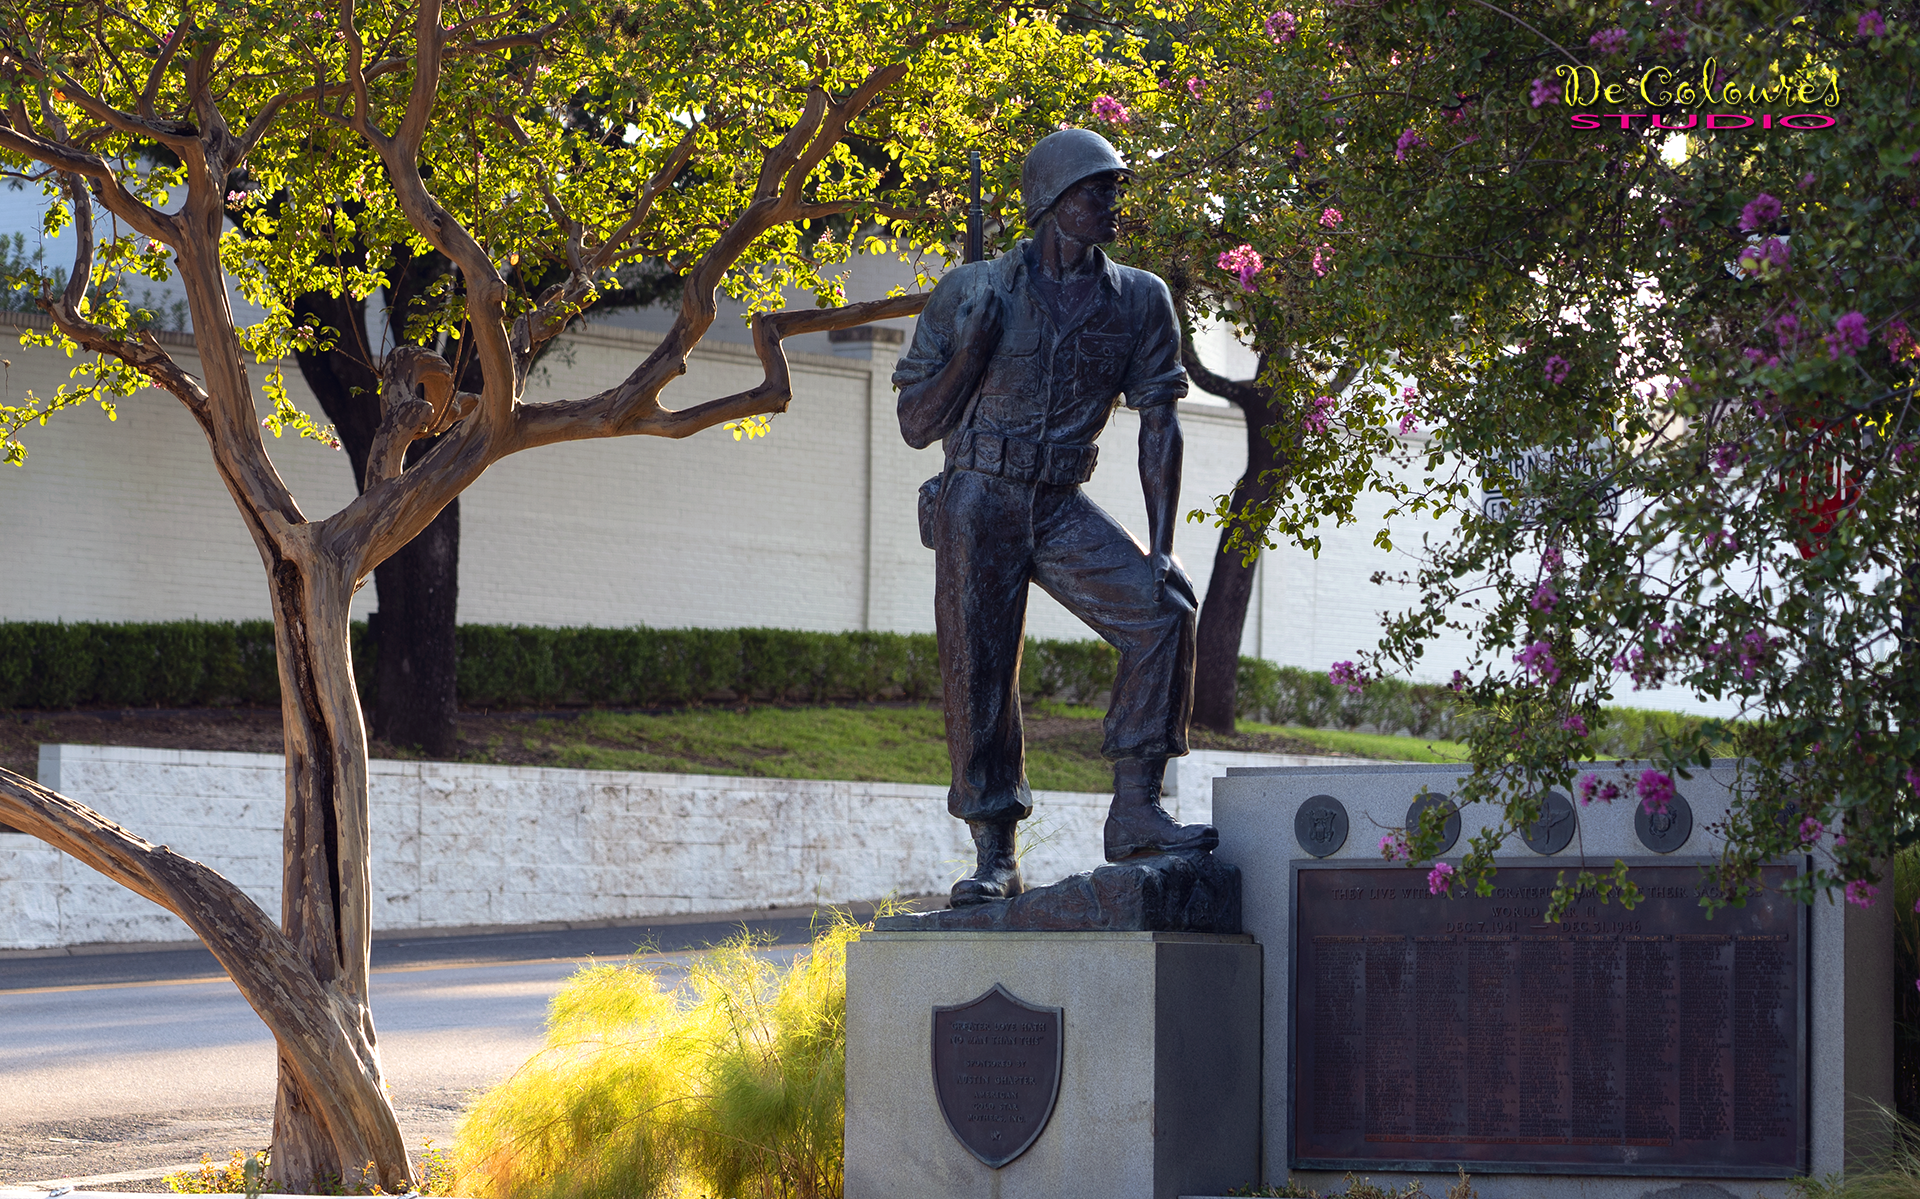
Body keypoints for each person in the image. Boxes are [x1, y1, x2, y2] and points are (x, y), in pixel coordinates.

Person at [894, 128, 1217, 908]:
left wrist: (1163, 545)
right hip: (979, 496)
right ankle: (994, 850)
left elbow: (1158, 425)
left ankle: (1136, 808)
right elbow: (914, 422)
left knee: (1164, 612)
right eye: (1094, 190)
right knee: (979, 670)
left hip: (1061, 498)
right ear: (1049, 203)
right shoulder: (974, 290)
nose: (1112, 203)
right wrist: (970, 352)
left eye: (1114, 188)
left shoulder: (1140, 298)